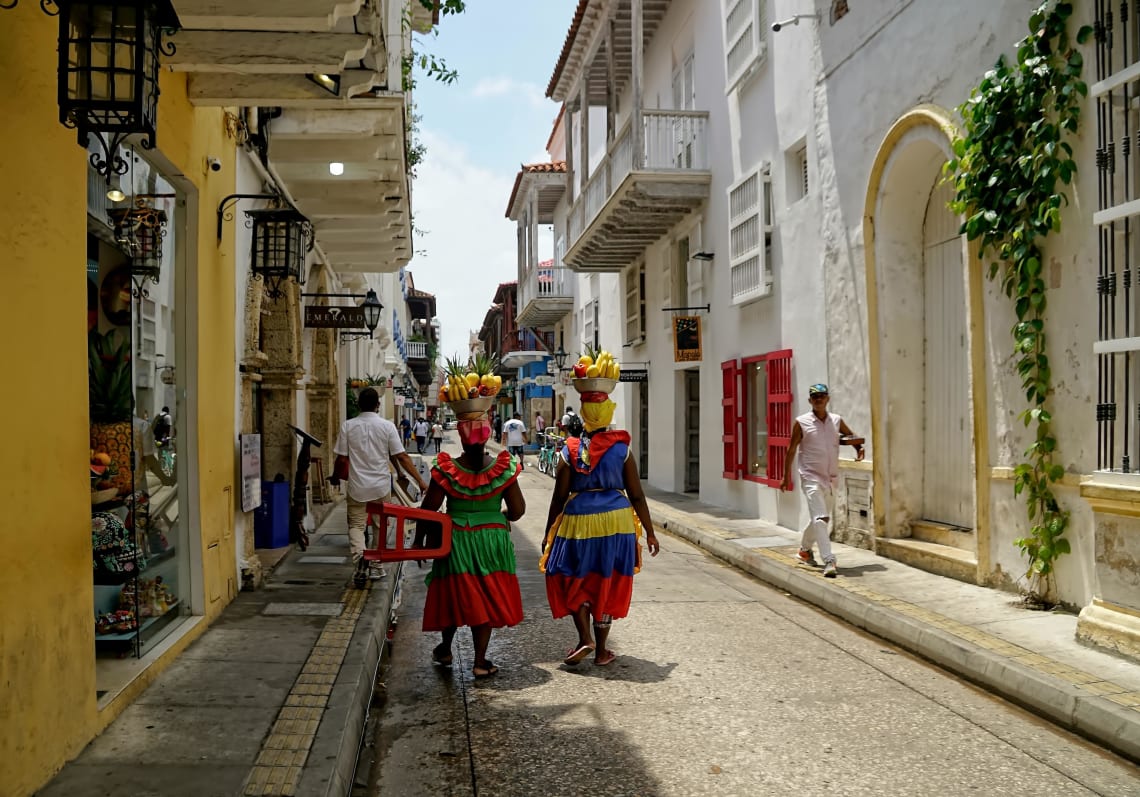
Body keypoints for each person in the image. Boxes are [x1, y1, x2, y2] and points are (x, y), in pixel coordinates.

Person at [541, 369, 660, 667]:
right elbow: (636, 495)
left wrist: (548, 532)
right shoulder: (621, 449)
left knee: (571, 575)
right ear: (607, 415)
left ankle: (585, 638)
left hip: (578, 520)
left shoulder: (569, 450)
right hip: (617, 521)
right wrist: (650, 531)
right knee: (607, 579)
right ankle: (602, 650)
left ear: (582, 416)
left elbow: (558, 496)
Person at [420, 402, 526, 678]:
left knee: (456, 593)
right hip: (492, 539)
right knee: (487, 595)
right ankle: (480, 661)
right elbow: (517, 511)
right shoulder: (503, 469)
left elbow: (429, 508)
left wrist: (419, 542)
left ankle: (444, 648)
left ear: (462, 438)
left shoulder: (446, 469)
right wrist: (497, 514)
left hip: (455, 540)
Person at [333, 388, 428, 579]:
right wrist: (421, 482)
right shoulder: (387, 426)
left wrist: (335, 477)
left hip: (357, 486)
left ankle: (361, 556)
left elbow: (342, 459)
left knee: (356, 525)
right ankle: (376, 566)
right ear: (378, 405)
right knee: (380, 526)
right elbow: (400, 456)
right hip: (380, 486)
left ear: (359, 404)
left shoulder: (348, 426)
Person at [780, 383, 864, 578]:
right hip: (810, 476)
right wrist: (786, 477)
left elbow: (850, 435)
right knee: (821, 518)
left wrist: (858, 448)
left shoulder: (836, 420)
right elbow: (791, 450)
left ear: (828, 399)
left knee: (821, 519)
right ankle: (829, 560)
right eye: (815, 396)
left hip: (831, 477)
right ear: (810, 400)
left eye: (822, 396)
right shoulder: (801, 422)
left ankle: (804, 550)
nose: (819, 399)